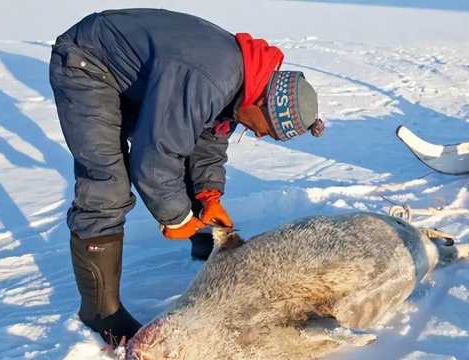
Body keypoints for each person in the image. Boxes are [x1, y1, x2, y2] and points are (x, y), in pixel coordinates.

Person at [49, 8, 324, 345]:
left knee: (178, 149)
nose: (260, 135)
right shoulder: (210, 78)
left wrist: (209, 196)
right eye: (267, 129)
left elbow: (208, 139)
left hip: (130, 75)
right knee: (107, 183)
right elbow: (154, 157)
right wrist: (175, 217)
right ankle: (99, 311)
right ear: (265, 102)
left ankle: (202, 245)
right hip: (88, 63)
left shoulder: (244, 82)